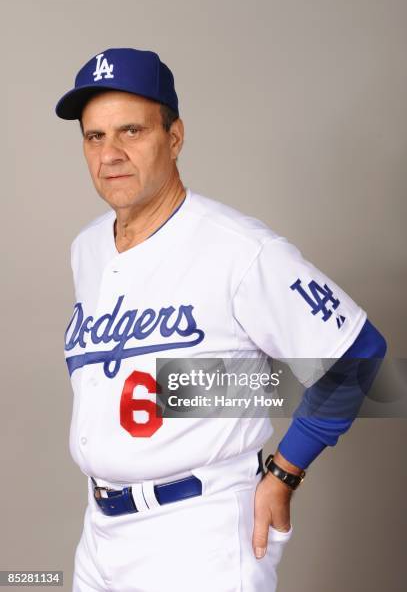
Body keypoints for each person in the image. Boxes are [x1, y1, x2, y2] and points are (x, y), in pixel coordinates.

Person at [56, 48, 386, 592]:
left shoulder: (241, 250)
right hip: (100, 533)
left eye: (131, 131)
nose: (110, 153)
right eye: (95, 137)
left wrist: (284, 471)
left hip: (198, 534)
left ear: (175, 137)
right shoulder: (87, 248)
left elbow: (358, 357)